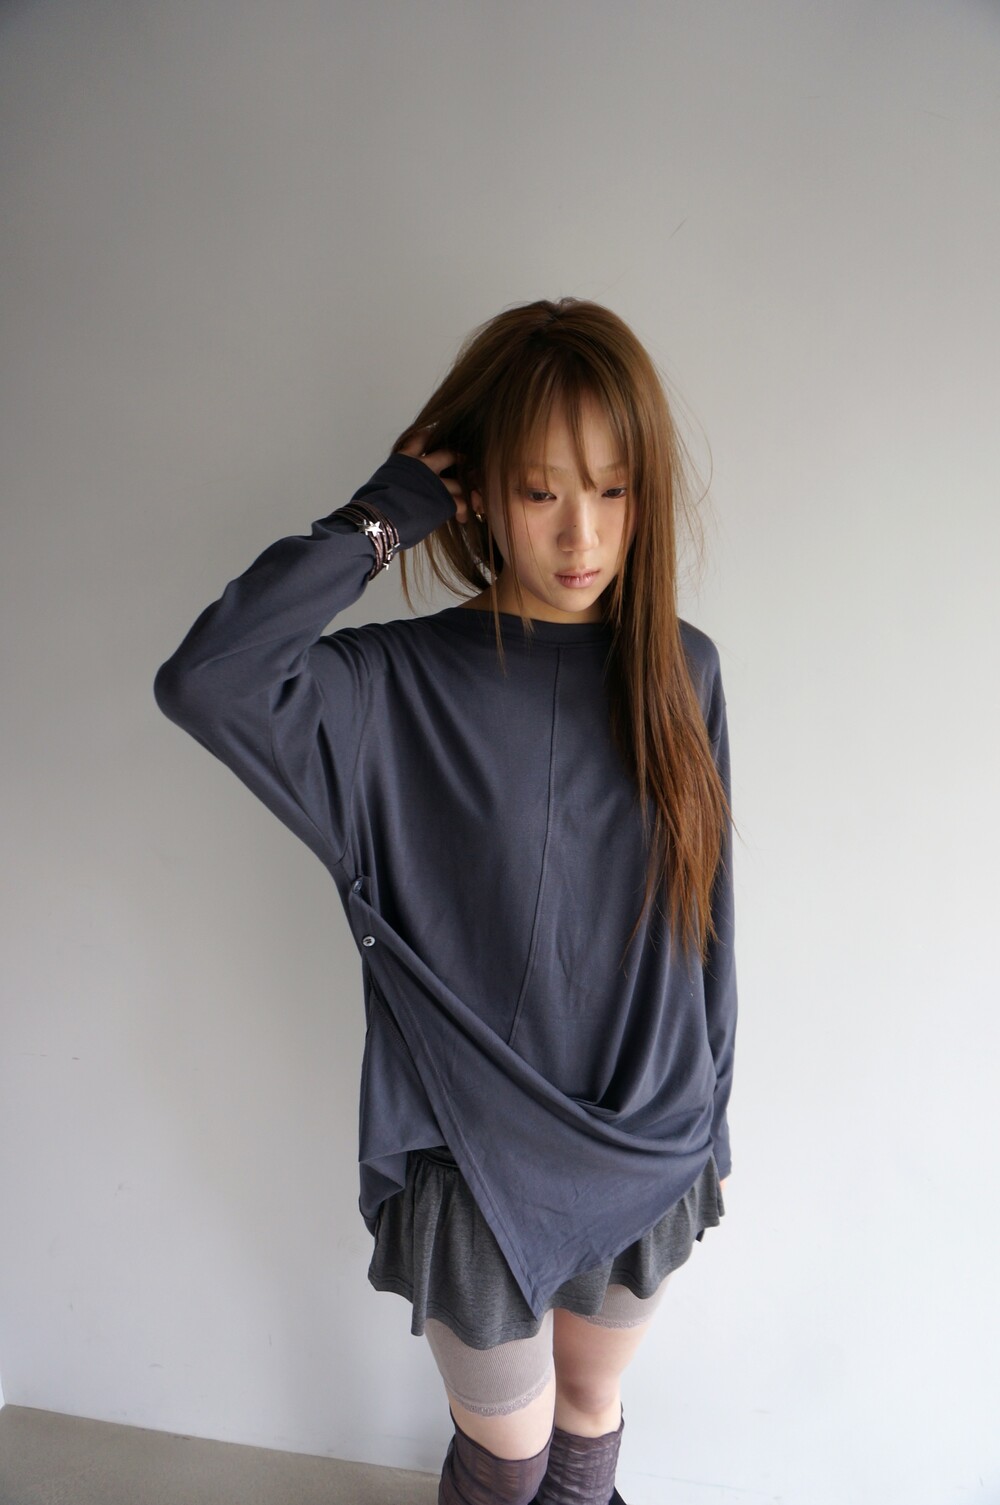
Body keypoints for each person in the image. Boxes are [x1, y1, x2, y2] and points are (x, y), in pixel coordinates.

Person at [153, 297, 737, 1505]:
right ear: (476, 495)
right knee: (507, 1461)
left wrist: (710, 1113)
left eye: (613, 490)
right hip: (472, 1147)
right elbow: (210, 679)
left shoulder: (681, 669)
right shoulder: (393, 684)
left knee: (587, 1426)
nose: (582, 533)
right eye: (539, 492)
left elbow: (705, 921)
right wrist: (381, 515)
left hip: (644, 1131)